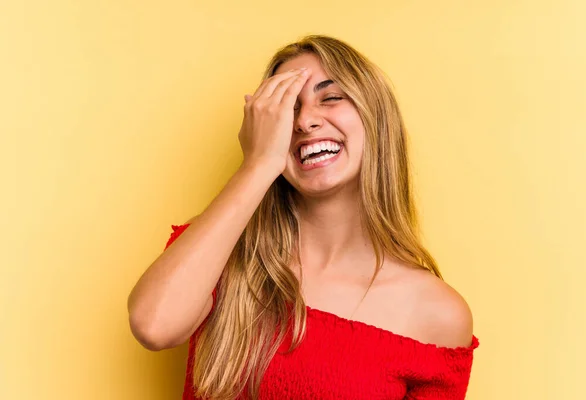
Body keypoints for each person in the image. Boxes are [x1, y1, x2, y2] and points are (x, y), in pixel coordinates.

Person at [127, 34, 479, 400]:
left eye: (331, 97)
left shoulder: (438, 313)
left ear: (376, 120)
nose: (305, 121)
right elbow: (154, 326)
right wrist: (258, 163)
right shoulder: (220, 252)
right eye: (288, 110)